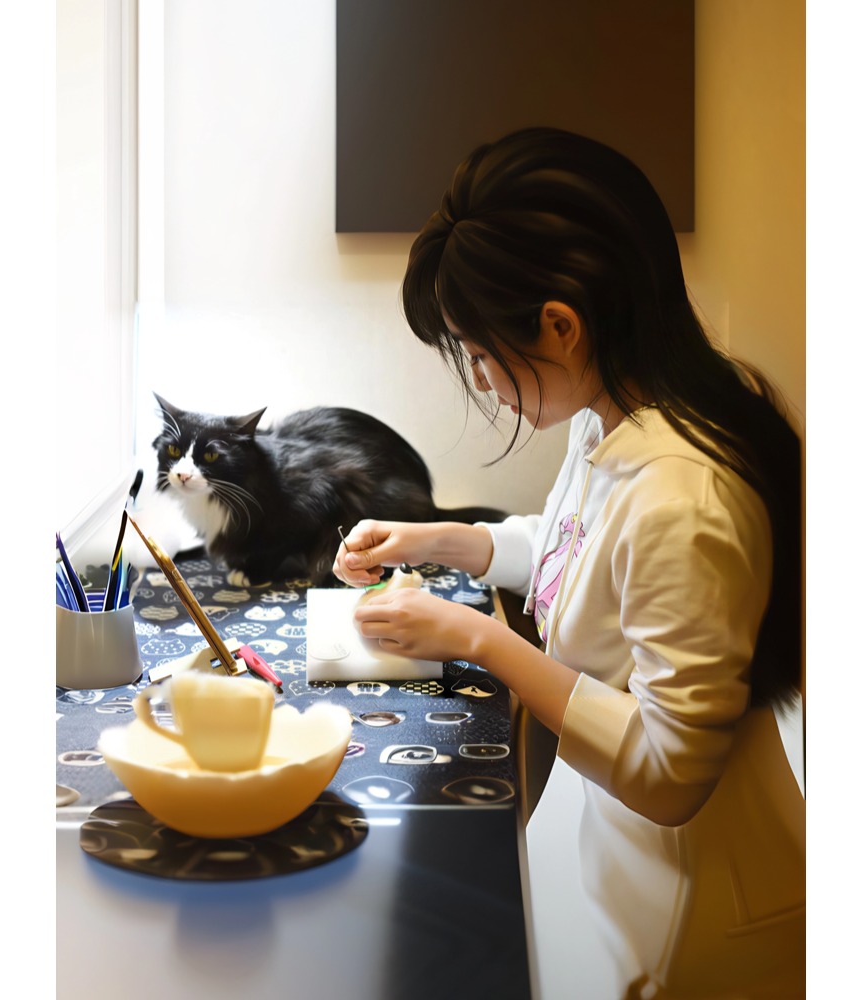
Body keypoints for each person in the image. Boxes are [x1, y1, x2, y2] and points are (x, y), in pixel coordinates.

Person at [333, 127, 805, 999]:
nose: (482, 379)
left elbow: (670, 774)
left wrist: (479, 639)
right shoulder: (616, 412)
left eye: (480, 354)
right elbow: (572, 548)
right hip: (614, 858)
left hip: (694, 918)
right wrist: (433, 538)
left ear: (560, 324)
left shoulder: (683, 496)